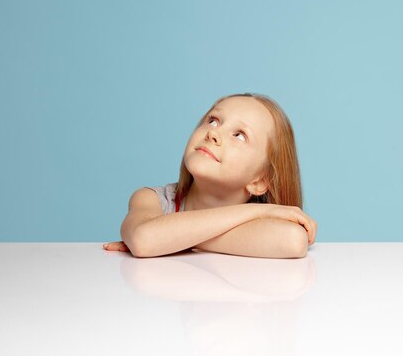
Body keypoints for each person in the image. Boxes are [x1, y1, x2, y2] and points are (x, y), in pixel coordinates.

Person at [103, 92, 318, 258]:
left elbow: (293, 240)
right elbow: (144, 239)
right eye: (213, 120)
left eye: (239, 135)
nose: (213, 133)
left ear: (260, 181)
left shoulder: (267, 224)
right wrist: (258, 211)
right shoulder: (152, 199)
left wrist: (171, 239)